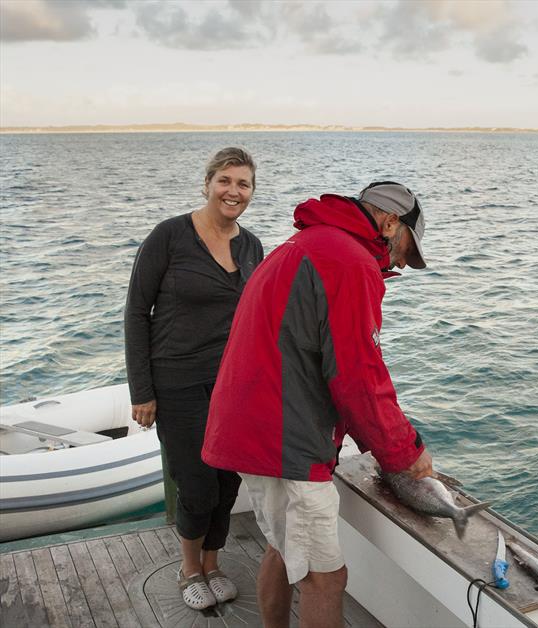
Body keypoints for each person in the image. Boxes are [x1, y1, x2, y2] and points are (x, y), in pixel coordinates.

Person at [201, 181, 434, 627]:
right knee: (325, 579)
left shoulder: (312, 242)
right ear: (389, 223)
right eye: (406, 247)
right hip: (284, 438)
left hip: (254, 426)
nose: (403, 261)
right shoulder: (348, 262)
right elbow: (358, 377)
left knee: (283, 549)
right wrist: (406, 453)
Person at [124, 147, 264, 611]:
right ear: (207, 184)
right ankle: (189, 569)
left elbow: (255, 319)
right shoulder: (170, 236)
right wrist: (142, 390)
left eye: (243, 184)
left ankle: (213, 562)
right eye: (225, 180)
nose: (233, 191)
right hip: (177, 380)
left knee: (227, 483)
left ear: (251, 193)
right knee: (198, 482)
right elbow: (135, 313)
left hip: (231, 385)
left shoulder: (251, 246)